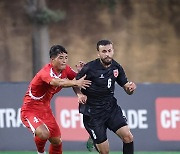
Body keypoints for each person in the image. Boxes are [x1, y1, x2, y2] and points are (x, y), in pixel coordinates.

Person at [20, 45, 91, 154]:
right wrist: (76, 81)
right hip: (30, 110)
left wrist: (79, 89)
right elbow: (57, 82)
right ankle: (41, 152)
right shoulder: (45, 72)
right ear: (52, 60)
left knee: (57, 141)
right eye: (61, 58)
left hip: (46, 110)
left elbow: (76, 79)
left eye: (66, 57)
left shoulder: (66, 69)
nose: (64, 61)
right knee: (43, 134)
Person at [76, 40, 136, 154]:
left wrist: (130, 88)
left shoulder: (116, 67)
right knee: (105, 152)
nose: (107, 54)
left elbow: (127, 88)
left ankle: (95, 138)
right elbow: (75, 83)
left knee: (128, 137)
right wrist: (79, 94)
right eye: (104, 51)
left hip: (110, 108)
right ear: (98, 53)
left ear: (113, 51)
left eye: (109, 51)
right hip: (93, 113)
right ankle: (93, 138)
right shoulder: (89, 68)